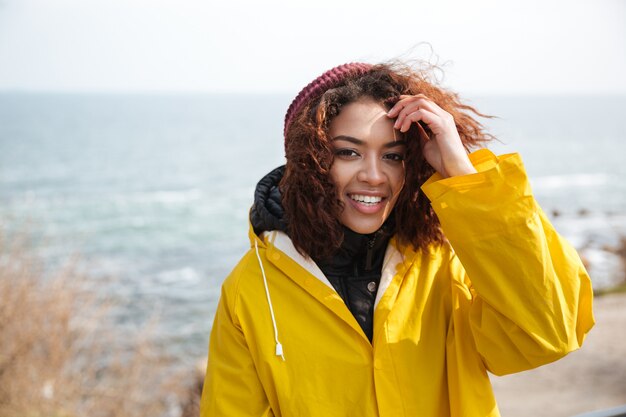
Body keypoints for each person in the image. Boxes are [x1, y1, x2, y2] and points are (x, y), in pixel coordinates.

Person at [200, 61, 595, 417]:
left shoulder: (445, 261)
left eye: (393, 156)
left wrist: (461, 172)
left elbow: (550, 332)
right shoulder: (251, 289)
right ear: (310, 161)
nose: (375, 175)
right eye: (348, 153)